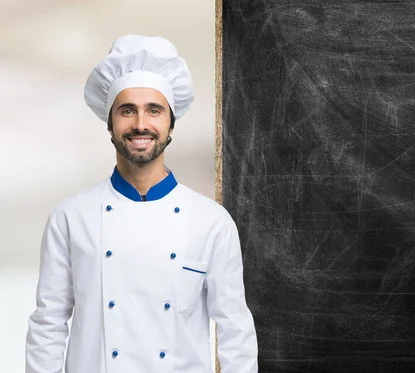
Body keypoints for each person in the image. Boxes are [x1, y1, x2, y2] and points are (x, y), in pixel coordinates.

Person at [25, 34, 258, 373]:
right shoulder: (70, 218)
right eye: (127, 110)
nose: (140, 124)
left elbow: (235, 329)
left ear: (170, 124)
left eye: (154, 110)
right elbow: (48, 324)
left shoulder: (212, 222)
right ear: (110, 123)